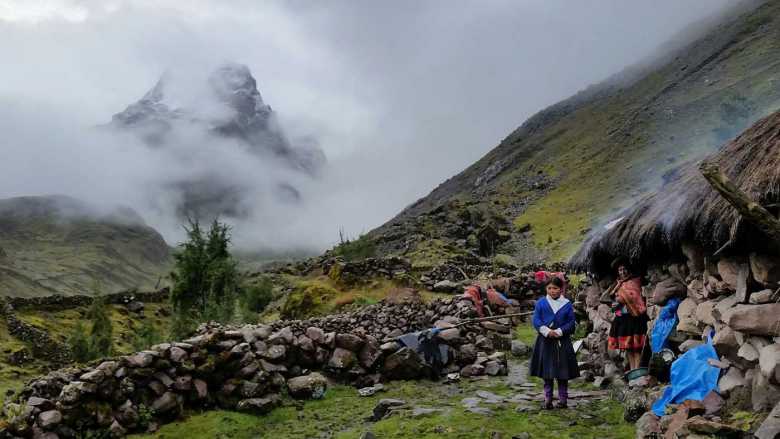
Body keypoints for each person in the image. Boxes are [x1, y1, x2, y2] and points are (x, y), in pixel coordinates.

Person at [529, 277, 579, 409]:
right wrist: (546, 331)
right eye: (549, 288)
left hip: (562, 341)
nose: (552, 291)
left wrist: (559, 331)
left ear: (561, 289)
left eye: (555, 288)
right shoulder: (541, 303)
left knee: (563, 372)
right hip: (545, 342)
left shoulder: (567, 304)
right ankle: (548, 399)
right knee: (547, 372)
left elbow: (571, 323)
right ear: (546, 289)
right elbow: (536, 320)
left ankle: (563, 399)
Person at [606, 259, 648, 371]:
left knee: (636, 348)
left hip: (634, 318)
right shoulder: (619, 284)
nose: (623, 272)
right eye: (620, 270)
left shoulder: (634, 282)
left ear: (628, 270)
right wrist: (617, 286)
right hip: (622, 319)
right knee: (628, 348)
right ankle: (633, 371)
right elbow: (606, 298)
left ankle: (637, 371)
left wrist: (620, 299)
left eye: (624, 269)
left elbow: (631, 297)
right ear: (618, 272)